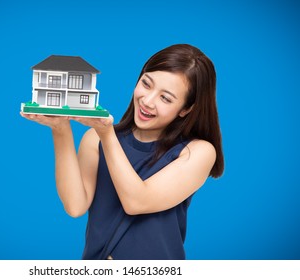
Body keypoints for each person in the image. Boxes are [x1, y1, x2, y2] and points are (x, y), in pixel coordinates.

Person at [21, 44, 224, 260]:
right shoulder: (95, 138)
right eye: (146, 84)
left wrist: (106, 134)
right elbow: (75, 206)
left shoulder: (197, 152)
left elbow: (137, 201)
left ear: (186, 109)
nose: (147, 101)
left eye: (165, 98)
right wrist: (60, 129)